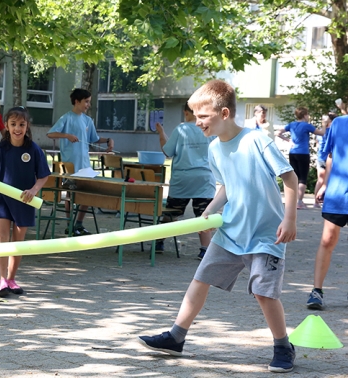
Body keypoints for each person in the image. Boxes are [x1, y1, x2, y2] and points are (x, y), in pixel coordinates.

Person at [137, 79, 299, 373]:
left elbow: (290, 179)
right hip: (231, 231)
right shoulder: (214, 149)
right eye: (195, 116)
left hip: (266, 235)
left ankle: (282, 346)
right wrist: (210, 211)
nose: (197, 123)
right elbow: (225, 185)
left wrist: (290, 219)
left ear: (224, 114)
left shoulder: (256, 140)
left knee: (264, 293)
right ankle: (176, 337)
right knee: (200, 279)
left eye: (202, 116)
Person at [0, 107, 51, 297]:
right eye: (13, 124)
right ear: (6, 126)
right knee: (2, 238)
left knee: (17, 242)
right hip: (2, 199)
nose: (17, 129)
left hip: (25, 200)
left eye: (21, 124)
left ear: (27, 126)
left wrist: (34, 190)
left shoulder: (33, 149)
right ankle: (2, 280)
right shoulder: (1, 149)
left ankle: (12, 279)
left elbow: (43, 176)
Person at [47, 88, 113, 236]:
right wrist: (66, 135)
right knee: (70, 194)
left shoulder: (88, 120)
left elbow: (94, 139)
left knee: (88, 194)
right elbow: (50, 133)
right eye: (86, 101)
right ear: (77, 101)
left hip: (85, 166)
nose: (88, 105)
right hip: (70, 166)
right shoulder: (66, 118)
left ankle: (79, 224)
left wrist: (108, 140)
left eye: (89, 102)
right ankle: (69, 225)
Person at [155, 102, 216, 258]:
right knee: (204, 215)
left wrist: (161, 133)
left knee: (171, 213)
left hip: (182, 178)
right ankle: (205, 250)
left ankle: (159, 242)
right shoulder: (210, 129)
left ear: (186, 112)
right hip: (204, 177)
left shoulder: (181, 128)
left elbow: (167, 151)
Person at [305, 114, 348, 310]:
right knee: (327, 240)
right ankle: (317, 291)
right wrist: (324, 185)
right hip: (338, 193)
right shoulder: (339, 123)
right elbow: (331, 156)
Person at [277, 107, 325, 209]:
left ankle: (292, 201)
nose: (308, 116)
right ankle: (299, 202)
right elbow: (321, 133)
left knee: (294, 177)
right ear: (304, 115)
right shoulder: (306, 126)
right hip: (303, 153)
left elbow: (278, 133)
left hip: (293, 152)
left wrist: (288, 141)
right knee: (303, 178)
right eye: (307, 114)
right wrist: (324, 125)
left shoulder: (292, 125)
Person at [313, 113, 336, 208]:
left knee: (320, 180)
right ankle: (327, 201)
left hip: (320, 157)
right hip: (329, 158)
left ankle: (316, 202)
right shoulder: (333, 131)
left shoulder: (320, 132)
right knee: (329, 180)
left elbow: (317, 144)